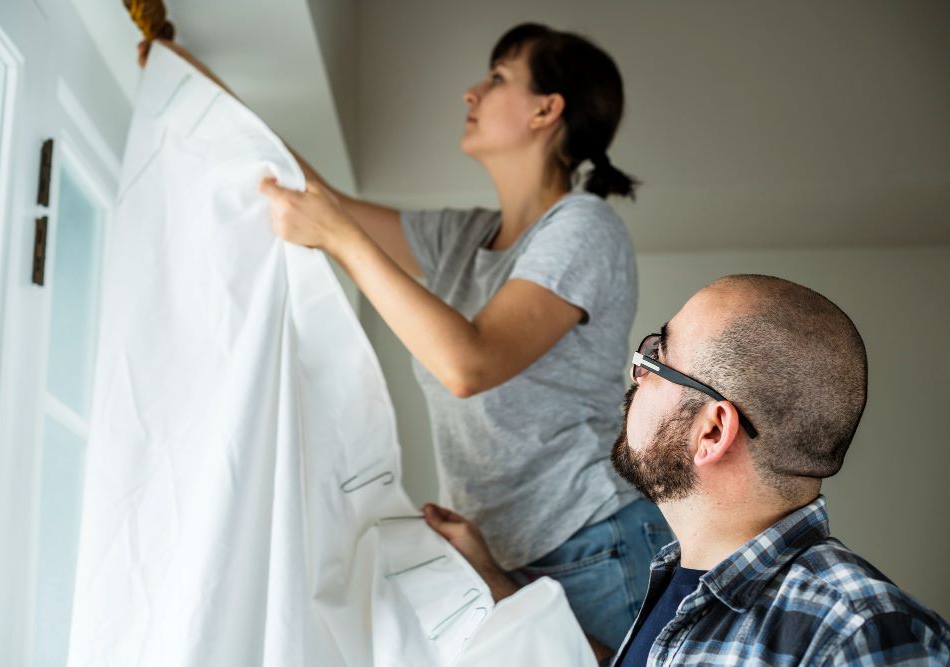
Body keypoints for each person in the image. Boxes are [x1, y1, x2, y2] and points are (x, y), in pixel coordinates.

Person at [252, 23, 671, 652]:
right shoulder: (460, 239)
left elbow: (468, 362)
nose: (472, 93)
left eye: (498, 78)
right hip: (499, 555)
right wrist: (202, 94)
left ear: (546, 109)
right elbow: (322, 200)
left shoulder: (584, 226)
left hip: (594, 544)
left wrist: (340, 238)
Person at [424, 274, 950, 665]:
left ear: (712, 432)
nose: (634, 374)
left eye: (656, 358)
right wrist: (494, 582)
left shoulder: (860, 631)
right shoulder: (681, 586)